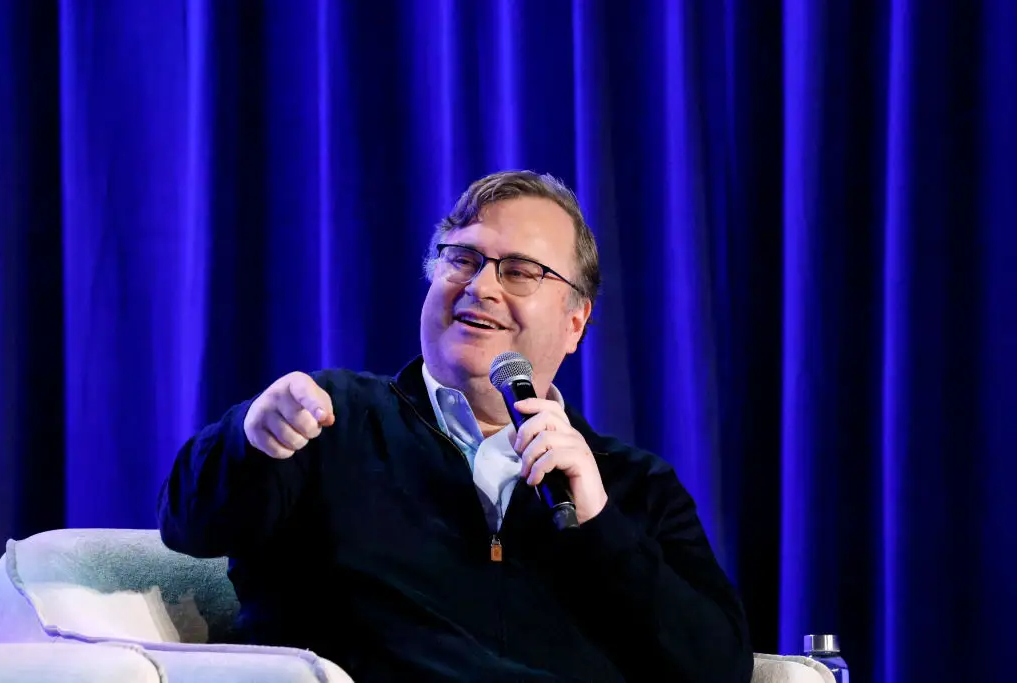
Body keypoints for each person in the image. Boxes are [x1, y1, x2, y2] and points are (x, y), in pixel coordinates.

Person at [157, 170, 754, 682]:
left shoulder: (632, 486)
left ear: (576, 323)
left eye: (520, 271)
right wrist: (249, 439)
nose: (481, 285)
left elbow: (718, 670)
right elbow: (189, 523)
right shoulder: (331, 420)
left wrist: (599, 528)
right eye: (463, 258)